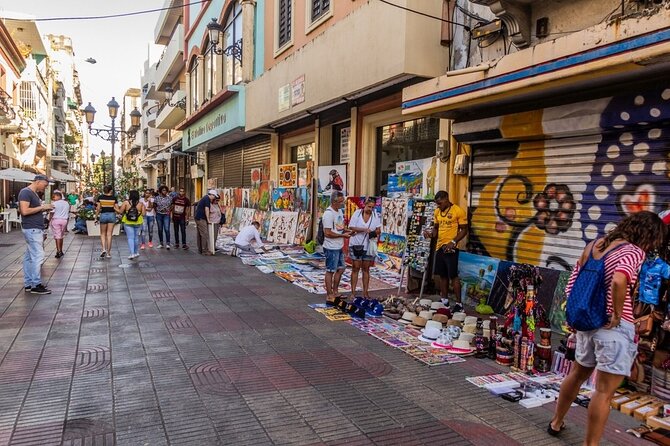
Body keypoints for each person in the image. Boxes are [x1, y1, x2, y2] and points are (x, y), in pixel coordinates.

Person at [549, 211, 667, 445]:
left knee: (576, 374)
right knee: (604, 392)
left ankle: (556, 422)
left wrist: (574, 315)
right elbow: (619, 279)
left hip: (587, 323)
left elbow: (573, 281)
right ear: (648, 235)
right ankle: (590, 444)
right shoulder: (634, 251)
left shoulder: (596, 245)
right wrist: (615, 313)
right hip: (613, 328)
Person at [424, 190, 468, 306]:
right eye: (437, 204)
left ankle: (459, 304)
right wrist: (430, 234)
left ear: (446, 199)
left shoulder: (458, 211)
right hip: (440, 247)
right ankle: (444, 300)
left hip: (451, 248)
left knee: (453, 276)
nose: (438, 206)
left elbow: (464, 229)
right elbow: (436, 229)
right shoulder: (437, 212)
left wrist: (454, 241)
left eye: (440, 203)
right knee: (442, 275)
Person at [18, 175, 53, 294]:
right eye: (45, 184)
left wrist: (42, 209)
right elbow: (24, 211)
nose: (46, 187)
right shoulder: (26, 192)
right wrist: (42, 207)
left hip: (34, 228)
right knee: (38, 256)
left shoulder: (33, 193)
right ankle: (35, 284)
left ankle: (28, 283)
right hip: (32, 229)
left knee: (29, 257)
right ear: (38, 181)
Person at [348, 197, 382, 299]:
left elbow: (378, 229)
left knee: (366, 269)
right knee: (355, 268)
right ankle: (353, 292)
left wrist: (374, 232)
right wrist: (364, 230)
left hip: (368, 245)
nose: (370, 209)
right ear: (364, 205)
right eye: (369, 207)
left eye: (372, 207)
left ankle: (365, 292)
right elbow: (351, 227)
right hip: (356, 244)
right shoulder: (357, 213)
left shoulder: (375, 215)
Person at [323, 191, 352, 300]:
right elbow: (328, 233)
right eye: (340, 202)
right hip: (331, 247)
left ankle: (335, 291)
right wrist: (343, 235)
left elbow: (340, 227)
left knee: (341, 268)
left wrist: (347, 231)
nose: (342, 204)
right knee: (330, 270)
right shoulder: (329, 214)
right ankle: (329, 293)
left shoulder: (339, 211)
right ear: (334, 202)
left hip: (338, 245)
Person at [118, 190, 145, 260]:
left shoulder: (126, 203)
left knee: (130, 238)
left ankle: (132, 253)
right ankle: (136, 252)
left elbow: (120, 211)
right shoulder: (141, 203)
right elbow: (144, 214)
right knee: (136, 238)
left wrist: (114, 208)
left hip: (128, 222)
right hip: (138, 222)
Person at [96, 185, 118, 259]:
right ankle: (108, 253)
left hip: (103, 215)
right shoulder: (114, 198)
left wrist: (96, 217)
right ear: (110, 190)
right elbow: (117, 208)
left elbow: (98, 208)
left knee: (102, 234)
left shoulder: (100, 197)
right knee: (109, 234)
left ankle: (103, 249)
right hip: (112, 215)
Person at [195, 190, 217, 256]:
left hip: (198, 217)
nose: (214, 198)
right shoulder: (207, 199)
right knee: (204, 234)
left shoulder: (204, 198)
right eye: (214, 196)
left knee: (200, 234)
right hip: (201, 218)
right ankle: (205, 250)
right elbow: (206, 209)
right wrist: (208, 220)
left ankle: (200, 249)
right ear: (211, 195)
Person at [49, 191, 70, 259]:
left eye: (54, 197)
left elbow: (51, 213)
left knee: (57, 236)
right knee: (61, 235)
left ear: (58, 196)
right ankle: (61, 249)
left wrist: (48, 220)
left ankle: (58, 251)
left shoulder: (54, 203)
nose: (53, 198)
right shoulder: (66, 203)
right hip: (64, 220)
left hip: (56, 220)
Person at [154, 185, 173, 249]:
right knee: (160, 229)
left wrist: (169, 211)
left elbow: (172, 205)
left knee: (167, 229)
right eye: (163, 190)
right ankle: (161, 243)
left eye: (165, 190)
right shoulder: (157, 198)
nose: (164, 191)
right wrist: (157, 210)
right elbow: (154, 205)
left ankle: (168, 243)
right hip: (159, 214)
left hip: (166, 215)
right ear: (160, 191)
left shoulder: (169, 198)